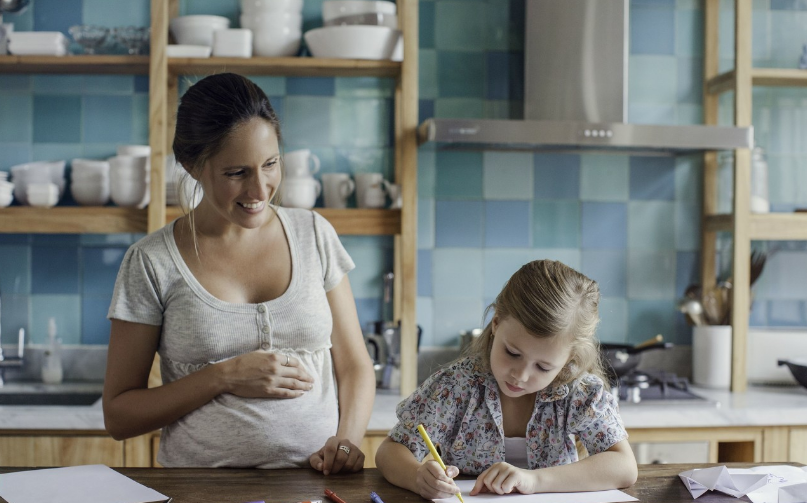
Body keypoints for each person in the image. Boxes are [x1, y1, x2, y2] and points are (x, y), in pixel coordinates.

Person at [102, 73, 375, 472]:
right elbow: (119, 416)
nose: (261, 190)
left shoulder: (313, 234)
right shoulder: (151, 261)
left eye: (270, 164)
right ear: (192, 166)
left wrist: (347, 441)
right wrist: (222, 376)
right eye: (237, 173)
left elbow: (354, 365)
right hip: (200, 492)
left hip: (314, 488)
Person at [375, 259, 638, 498]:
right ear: (496, 323)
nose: (520, 375)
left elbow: (623, 467)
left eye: (544, 367)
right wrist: (417, 476)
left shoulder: (579, 391)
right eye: (512, 353)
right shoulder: (454, 386)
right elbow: (390, 452)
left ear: (568, 361)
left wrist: (534, 481)